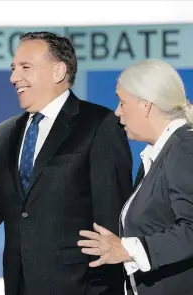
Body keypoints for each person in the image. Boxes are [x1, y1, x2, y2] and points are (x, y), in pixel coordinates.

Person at [0, 31, 133, 295]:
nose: (14, 77)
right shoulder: (3, 134)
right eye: (13, 68)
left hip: (80, 287)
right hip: (19, 285)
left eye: (25, 67)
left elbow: (111, 222)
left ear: (58, 71)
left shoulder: (100, 125)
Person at [78, 59, 193, 295]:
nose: (117, 112)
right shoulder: (158, 154)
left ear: (146, 106)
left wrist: (127, 249)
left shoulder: (184, 148)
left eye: (122, 103)